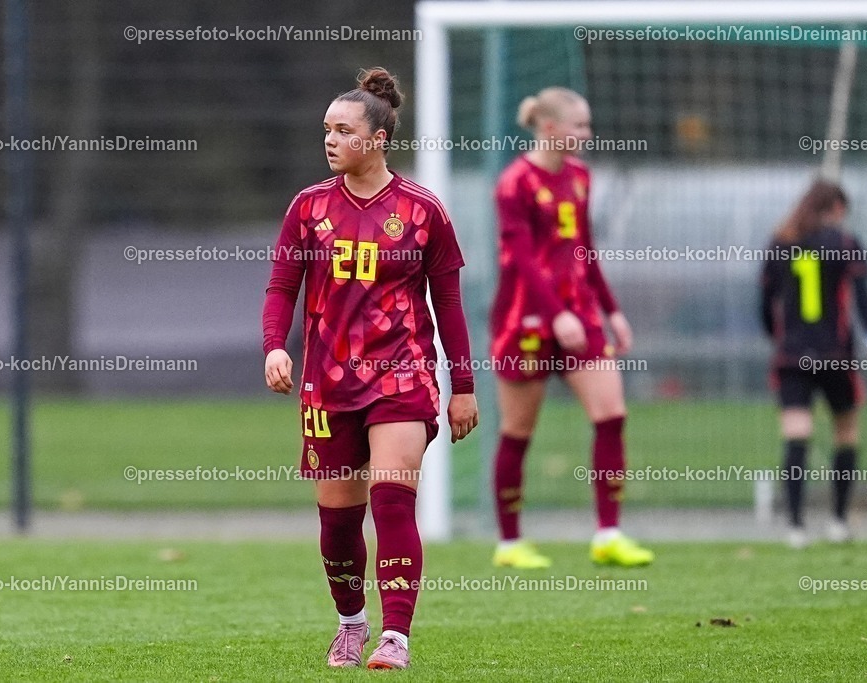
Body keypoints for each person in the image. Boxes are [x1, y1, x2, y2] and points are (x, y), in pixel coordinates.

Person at [262, 67, 479, 670]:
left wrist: (462, 386)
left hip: (401, 376)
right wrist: (275, 346)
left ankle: (396, 637)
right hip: (328, 381)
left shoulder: (422, 211)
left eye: (342, 130)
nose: (329, 140)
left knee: (394, 498)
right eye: (325, 130)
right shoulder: (308, 209)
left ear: (377, 138)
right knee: (337, 522)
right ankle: (352, 624)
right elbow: (282, 287)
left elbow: (450, 304)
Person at [488, 87, 653, 569]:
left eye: (587, 125)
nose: (587, 134)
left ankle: (608, 532)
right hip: (526, 321)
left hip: (579, 314)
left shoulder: (580, 176)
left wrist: (610, 308)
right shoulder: (514, 183)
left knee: (611, 415)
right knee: (518, 431)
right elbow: (518, 258)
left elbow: (584, 247)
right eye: (579, 125)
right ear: (550, 128)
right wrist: (553, 312)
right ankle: (510, 543)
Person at [760, 179, 867, 548]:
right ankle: (837, 521)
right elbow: (863, 302)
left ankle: (796, 527)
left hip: (791, 355)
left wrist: (779, 338)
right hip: (835, 356)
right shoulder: (846, 244)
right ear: (835, 208)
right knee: (846, 431)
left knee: (796, 433)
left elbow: (765, 304)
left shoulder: (779, 243)